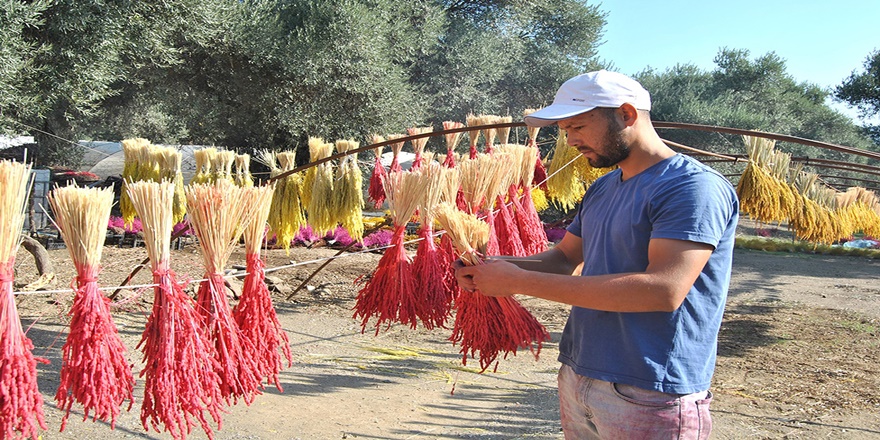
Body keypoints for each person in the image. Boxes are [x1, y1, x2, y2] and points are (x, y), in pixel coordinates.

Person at [454, 70, 739, 439]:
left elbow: (663, 290)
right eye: (565, 130)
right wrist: (492, 266)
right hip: (580, 372)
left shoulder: (691, 188)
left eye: (578, 127)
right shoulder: (605, 187)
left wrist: (518, 281)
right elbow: (563, 259)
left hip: (651, 389)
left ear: (626, 114)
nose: (571, 141)